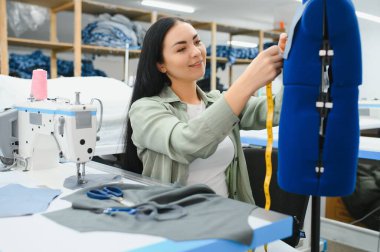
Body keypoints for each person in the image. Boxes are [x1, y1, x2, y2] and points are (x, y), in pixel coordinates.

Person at [123, 17, 287, 204]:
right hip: (176, 223)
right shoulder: (144, 109)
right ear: (161, 65)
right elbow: (189, 142)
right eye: (181, 49)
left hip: (226, 217)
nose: (196, 52)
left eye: (197, 42)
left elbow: (278, 110)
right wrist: (247, 80)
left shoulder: (216, 101)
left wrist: (295, 60)